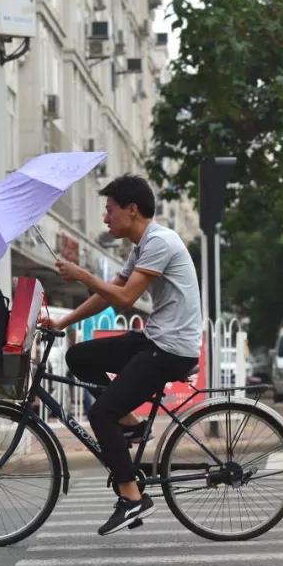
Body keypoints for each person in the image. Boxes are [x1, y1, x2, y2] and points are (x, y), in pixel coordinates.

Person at [41, 175, 201, 535]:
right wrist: (63, 321)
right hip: (156, 339)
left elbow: (126, 299)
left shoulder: (159, 242)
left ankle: (132, 497)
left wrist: (82, 274)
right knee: (79, 357)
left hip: (170, 349)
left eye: (109, 210)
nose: (105, 218)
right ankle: (129, 424)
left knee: (100, 414)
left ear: (132, 210)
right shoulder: (142, 247)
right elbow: (109, 292)